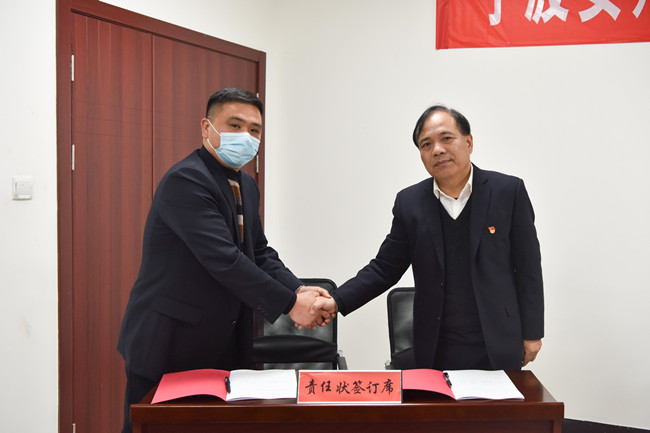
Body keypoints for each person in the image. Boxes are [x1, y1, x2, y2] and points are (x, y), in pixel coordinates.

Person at [117, 88, 331, 433]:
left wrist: (299, 289)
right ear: (207, 128)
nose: (246, 136)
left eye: (255, 130)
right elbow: (225, 260)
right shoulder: (186, 180)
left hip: (224, 341)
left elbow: (259, 252)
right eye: (235, 125)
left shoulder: (246, 184)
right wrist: (292, 305)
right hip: (170, 344)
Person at [317, 104, 544, 371]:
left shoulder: (507, 191)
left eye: (446, 138)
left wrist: (533, 333)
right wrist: (337, 300)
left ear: (469, 142)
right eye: (426, 144)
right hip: (436, 344)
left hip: (499, 339)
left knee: (501, 400)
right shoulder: (410, 203)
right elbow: (384, 268)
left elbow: (528, 267)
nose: (437, 149)